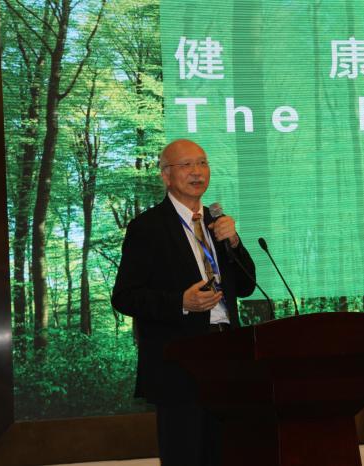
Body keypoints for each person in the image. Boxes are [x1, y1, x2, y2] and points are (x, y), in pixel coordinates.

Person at [111, 139, 257, 466]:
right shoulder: (147, 227)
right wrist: (181, 302)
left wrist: (234, 241)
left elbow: (246, 286)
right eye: (186, 165)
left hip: (228, 356)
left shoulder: (217, 224)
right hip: (179, 364)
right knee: (186, 455)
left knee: (229, 454)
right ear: (166, 176)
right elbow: (125, 296)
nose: (197, 172)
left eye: (202, 163)